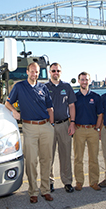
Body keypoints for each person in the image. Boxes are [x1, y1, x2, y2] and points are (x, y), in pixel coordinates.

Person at [5, 62, 55, 203]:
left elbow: (50, 108)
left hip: (45, 126)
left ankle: (45, 190)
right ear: (27, 72)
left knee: (47, 160)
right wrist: (15, 111)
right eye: (32, 71)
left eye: (37, 72)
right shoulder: (19, 87)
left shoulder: (43, 88)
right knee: (31, 161)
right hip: (29, 128)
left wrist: (51, 125)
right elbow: (7, 103)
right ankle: (33, 191)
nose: (35, 74)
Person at [45, 63, 77, 193]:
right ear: (49, 72)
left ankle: (67, 182)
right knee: (48, 156)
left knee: (66, 155)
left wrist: (72, 123)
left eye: (58, 70)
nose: (55, 73)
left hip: (64, 125)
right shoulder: (44, 87)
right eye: (53, 71)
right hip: (49, 126)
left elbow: (72, 106)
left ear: (61, 72)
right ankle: (49, 182)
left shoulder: (67, 87)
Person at [73, 72, 103, 191]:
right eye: (82, 79)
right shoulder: (75, 97)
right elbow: (71, 112)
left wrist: (98, 128)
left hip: (92, 130)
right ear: (79, 81)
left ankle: (94, 182)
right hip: (79, 130)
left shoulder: (96, 97)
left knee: (94, 158)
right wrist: (73, 125)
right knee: (78, 158)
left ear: (89, 81)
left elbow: (100, 114)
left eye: (86, 79)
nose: (84, 81)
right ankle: (79, 182)